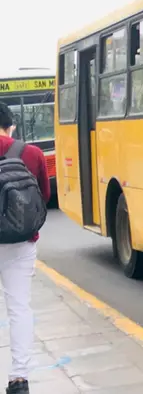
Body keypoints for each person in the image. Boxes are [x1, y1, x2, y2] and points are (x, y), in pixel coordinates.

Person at [0, 102, 50, 394]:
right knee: (19, 308)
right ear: (10, 126)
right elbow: (43, 197)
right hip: (20, 243)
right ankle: (19, 379)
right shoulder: (31, 153)